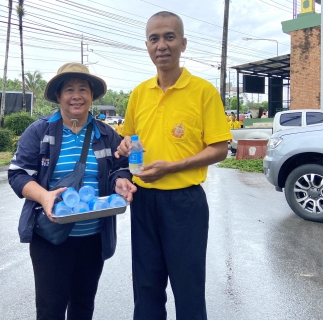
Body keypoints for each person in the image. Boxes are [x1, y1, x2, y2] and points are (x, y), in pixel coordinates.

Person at [115, 11, 232, 320]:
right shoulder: (139, 93)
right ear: (147, 45)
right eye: (154, 38)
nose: (162, 45)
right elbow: (128, 138)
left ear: (183, 43)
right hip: (144, 202)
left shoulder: (203, 91)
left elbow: (220, 148)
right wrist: (126, 145)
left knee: (188, 286)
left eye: (169, 37)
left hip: (185, 203)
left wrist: (173, 167)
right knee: (146, 285)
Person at [8, 62, 136, 320]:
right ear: (58, 96)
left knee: (83, 305)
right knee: (50, 309)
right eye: (69, 89)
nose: (76, 95)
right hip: (50, 237)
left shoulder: (105, 134)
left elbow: (119, 167)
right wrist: (43, 196)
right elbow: (18, 174)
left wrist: (121, 180)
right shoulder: (40, 131)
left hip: (93, 237)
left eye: (82, 89)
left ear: (91, 96)